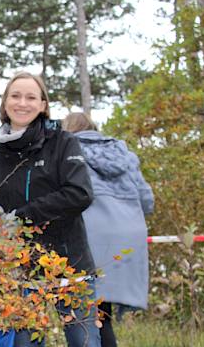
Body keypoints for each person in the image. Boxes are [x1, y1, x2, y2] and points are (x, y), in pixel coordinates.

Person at [0, 72, 98, 347]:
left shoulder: (63, 142)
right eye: (15, 96)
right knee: (23, 344)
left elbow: (80, 193)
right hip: (18, 270)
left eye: (31, 97)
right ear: (5, 103)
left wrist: (24, 216)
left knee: (83, 342)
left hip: (69, 264)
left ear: (42, 105)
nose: (22, 103)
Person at [63, 112, 155, 347]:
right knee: (102, 313)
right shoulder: (125, 155)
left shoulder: (68, 152)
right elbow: (147, 202)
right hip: (128, 234)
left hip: (91, 233)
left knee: (87, 314)